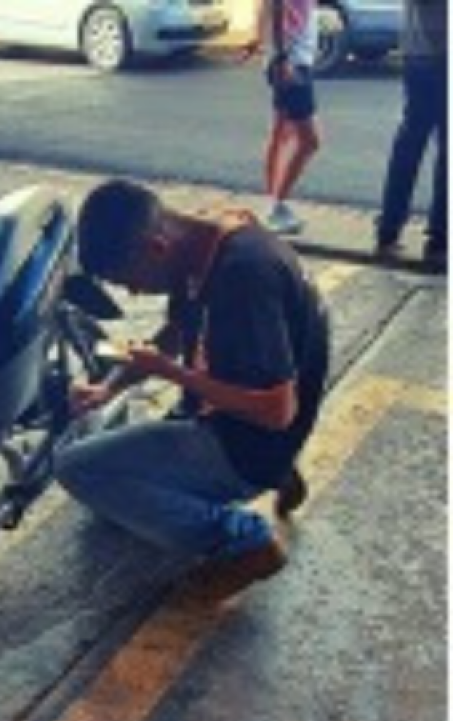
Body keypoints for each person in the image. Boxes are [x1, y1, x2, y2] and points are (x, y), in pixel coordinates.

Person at [55, 180, 330, 602]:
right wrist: (107, 389)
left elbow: (276, 411)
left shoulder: (243, 277)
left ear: (156, 247)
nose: (133, 292)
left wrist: (170, 372)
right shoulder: (207, 239)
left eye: (129, 280)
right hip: (236, 424)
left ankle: (245, 542)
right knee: (112, 470)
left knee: (78, 468)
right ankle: (276, 472)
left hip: (247, 442)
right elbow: (177, 328)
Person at [375, 0, 448, 270]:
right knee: (431, 147)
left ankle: (389, 229)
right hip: (436, 54)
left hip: (421, 54)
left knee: (410, 143)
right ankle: (439, 239)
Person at [240, 0, 322, 235]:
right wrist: (282, 57)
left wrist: (259, 38)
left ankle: (273, 205)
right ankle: (277, 206)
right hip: (291, 62)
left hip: (288, 58)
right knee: (310, 141)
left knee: (281, 134)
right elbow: (275, 6)